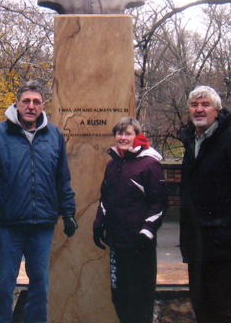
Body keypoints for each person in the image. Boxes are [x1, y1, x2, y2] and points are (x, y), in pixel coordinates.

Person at [0, 80, 77, 323]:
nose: (31, 106)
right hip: (7, 224)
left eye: (36, 102)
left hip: (42, 224)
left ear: (43, 106)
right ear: (17, 103)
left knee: (40, 284)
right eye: (26, 101)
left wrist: (69, 211)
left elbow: (62, 177)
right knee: (4, 283)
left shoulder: (54, 136)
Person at [178, 85, 231, 323]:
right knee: (202, 308)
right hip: (197, 243)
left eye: (205, 104)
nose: (199, 109)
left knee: (228, 312)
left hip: (227, 245)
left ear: (217, 110)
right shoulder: (191, 142)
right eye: (194, 105)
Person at [93, 116, 167, 323]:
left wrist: (147, 231)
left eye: (128, 133)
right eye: (119, 133)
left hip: (139, 244)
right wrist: (99, 224)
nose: (123, 137)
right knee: (120, 298)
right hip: (117, 242)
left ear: (137, 136)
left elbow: (159, 203)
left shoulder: (149, 164)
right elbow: (106, 198)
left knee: (140, 302)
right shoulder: (113, 164)